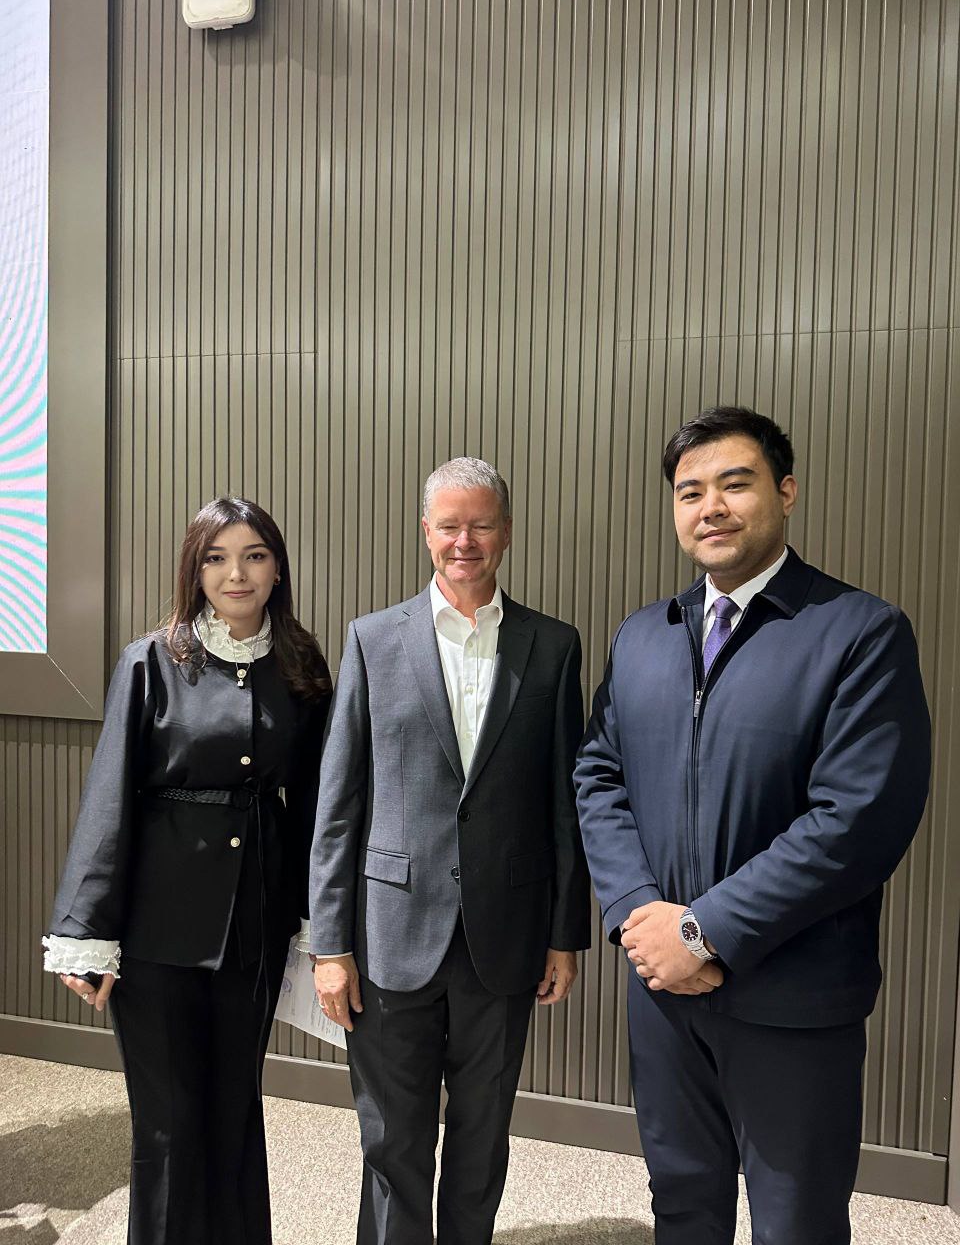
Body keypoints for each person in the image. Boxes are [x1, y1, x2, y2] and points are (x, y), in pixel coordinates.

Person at [575, 406, 931, 1245]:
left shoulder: (859, 632)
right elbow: (598, 775)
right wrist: (639, 913)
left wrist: (705, 931)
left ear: (787, 491)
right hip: (662, 992)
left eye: (735, 484)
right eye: (690, 491)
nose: (711, 507)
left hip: (793, 995)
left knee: (795, 1223)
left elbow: (857, 820)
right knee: (682, 1207)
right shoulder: (644, 636)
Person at [309, 456, 592, 1245]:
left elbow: (564, 804)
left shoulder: (553, 646)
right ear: (425, 532)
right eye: (449, 526)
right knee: (391, 1141)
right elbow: (338, 803)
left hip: (504, 937)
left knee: (481, 1139)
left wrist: (565, 934)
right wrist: (329, 944)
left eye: (481, 525)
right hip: (389, 935)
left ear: (507, 531)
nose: (465, 542)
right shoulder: (372, 640)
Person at [42, 496, 331, 1245]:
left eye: (254, 556)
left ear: (277, 569)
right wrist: (86, 930)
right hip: (156, 928)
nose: (236, 574)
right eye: (216, 558)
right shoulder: (151, 659)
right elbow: (109, 795)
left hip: (257, 921)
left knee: (235, 1109)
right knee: (168, 1121)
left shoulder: (300, 662)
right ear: (194, 570)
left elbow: (315, 803)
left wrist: (319, 918)